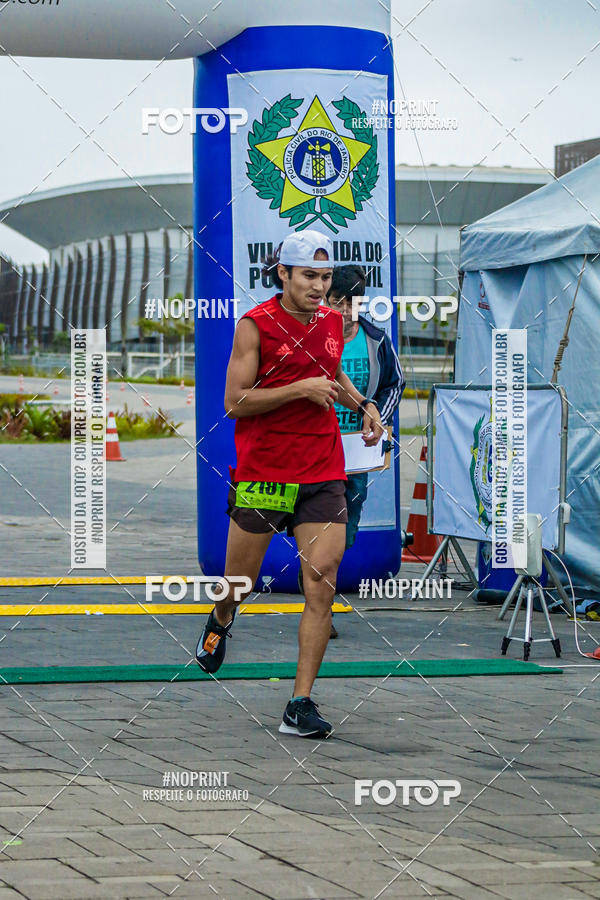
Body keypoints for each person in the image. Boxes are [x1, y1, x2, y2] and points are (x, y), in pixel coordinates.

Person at [195, 230, 384, 739]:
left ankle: (299, 704)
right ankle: (221, 616)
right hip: (266, 471)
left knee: (321, 580)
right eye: (309, 277)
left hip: (322, 470)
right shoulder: (255, 326)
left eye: (326, 278)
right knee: (241, 581)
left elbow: (334, 375)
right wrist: (298, 389)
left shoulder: (329, 322)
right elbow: (235, 402)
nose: (320, 288)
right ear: (283, 273)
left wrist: (363, 407)